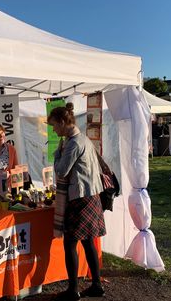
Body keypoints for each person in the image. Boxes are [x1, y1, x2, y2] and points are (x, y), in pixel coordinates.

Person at [47, 103, 106, 300]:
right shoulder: (83, 139)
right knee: (89, 242)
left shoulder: (72, 143)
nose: (54, 130)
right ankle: (96, 285)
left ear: (63, 123)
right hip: (91, 195)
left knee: (70, 244)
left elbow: (62, 170)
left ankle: (73, 290)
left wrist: (57, 154)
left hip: (79, 197)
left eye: (55, 125)